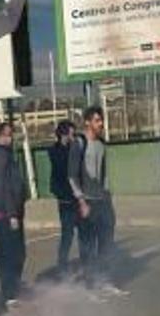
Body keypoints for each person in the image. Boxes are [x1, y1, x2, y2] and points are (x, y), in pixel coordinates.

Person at [68, 107, 127, 296]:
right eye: (96, 120)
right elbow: (72, 176)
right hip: (87, 202)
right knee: (87, 246)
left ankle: (105, 281)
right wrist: (82, 201)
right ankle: (90, 286)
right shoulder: (79, 143)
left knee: (106, 243)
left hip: (103, 201)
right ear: (87, 122)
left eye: (101, 120)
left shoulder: (102, 143)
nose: (100, 123)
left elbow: (103, 174)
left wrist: (107, 195)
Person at [0, 122, 28, 309]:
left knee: (17, 252)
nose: (11, 137)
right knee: (10, 253)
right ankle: (9, 293)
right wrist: (11, 214)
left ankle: (13, 288)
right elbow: (2, 188)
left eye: (12, 134)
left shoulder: (6, 154)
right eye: (8, 135)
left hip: (9, 211)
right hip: (4, 213)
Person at [48, 120, 79, 277]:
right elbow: (64, 169)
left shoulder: (73, 148)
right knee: (67, 233)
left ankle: (86, 260)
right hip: (66, 198)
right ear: (64, 134)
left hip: (78, 197)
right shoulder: (55, 151)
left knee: (84, 231)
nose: (74, 136)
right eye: (72, 133)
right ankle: (62, 264)